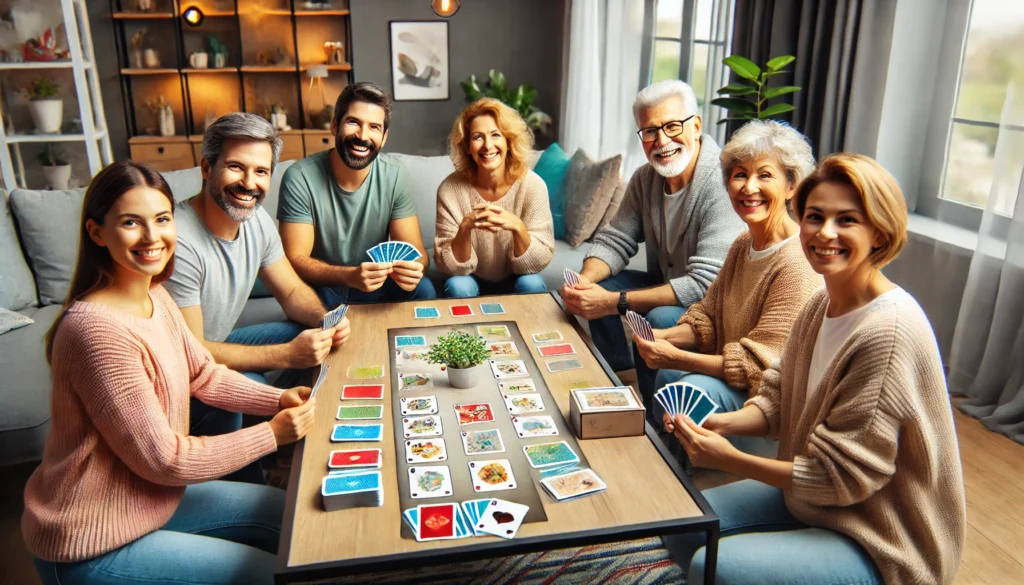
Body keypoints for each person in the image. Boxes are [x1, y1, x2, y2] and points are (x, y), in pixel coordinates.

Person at [662, 154, 966, 585]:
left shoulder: (887, 333)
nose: (825, 233)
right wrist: (719, 423)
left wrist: (729, 459)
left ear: (880, 232)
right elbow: (776, 398)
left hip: (880, 537)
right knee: (683, 524)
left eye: (847, 221)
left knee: (717, 567)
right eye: (815, 217)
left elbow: (837, 478)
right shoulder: (820, 304)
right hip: (815, 502)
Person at [24, 161, 316, 585]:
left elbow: (203, 374)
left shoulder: (155, 295)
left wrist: (277, 399)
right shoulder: (96, 332)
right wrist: (272, 433)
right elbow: (166, 460)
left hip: (147, 500)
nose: (151, 237)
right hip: (89, 538)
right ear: (97, 233)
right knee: (262, 574)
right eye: (130, 222)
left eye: (162, 219)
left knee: (284, 513)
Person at [163, 113, 349, 481]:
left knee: (303, 327)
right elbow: (194, 352)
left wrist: (326, 320)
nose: (249, 183)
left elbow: (293, 291)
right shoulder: (179, 241)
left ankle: (290, 444)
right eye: (235, 167)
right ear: (206, 167)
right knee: (249, 388)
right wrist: (287, 354)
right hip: (183, 375)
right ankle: (250, 478)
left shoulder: (255, 220)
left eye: (261, 171)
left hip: (217, 345)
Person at [634, 120, 822, 430]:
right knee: (665, 369)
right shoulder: (743, 242)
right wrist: (661, 339)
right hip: (737, 376)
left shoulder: (798, 263)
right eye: (740, 175)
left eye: (765, 175)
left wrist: (675, 357)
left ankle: (680, 471)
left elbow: (758, 368)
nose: (749, 187)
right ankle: (664, 453)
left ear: (792, 186)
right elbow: (709, 314)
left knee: (683, 386)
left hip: (768, 404)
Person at [561, 80, 743, 389]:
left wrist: (612, 302)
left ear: (696, 125)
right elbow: (615, 239)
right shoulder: (646, 177)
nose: (661, 141)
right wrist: (585, 283)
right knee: (596, 282)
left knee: (657, 316)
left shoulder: (723, 183)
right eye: (649, 131)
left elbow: (703, 285)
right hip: (668, 284)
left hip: (711, 304)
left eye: (672, 126)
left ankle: (652, 413)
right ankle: (616, 375)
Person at [278, 82, 436, 307]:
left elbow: (417, 252)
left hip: (377, 285)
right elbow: (295, 259)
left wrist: (412, 269)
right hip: (324, 290)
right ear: (335, 126)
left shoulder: (396, 176)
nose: (363, 136)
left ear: (384, 137)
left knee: (424, 288)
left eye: (374, 127)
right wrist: (350, 276)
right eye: (353, 122)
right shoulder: (300, 177)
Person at [434, 98, 554, 297]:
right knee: (458, 285)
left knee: (532, 283)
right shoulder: (450, 189)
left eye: (496, 135)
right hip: (469, 278)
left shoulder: (533, 185)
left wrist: (517, 226)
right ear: (467, 146)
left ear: (509, 141)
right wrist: (465, 227)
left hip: (517, 276)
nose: (487, 146)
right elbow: (451, 267)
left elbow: (537, 262)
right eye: (478, 137)